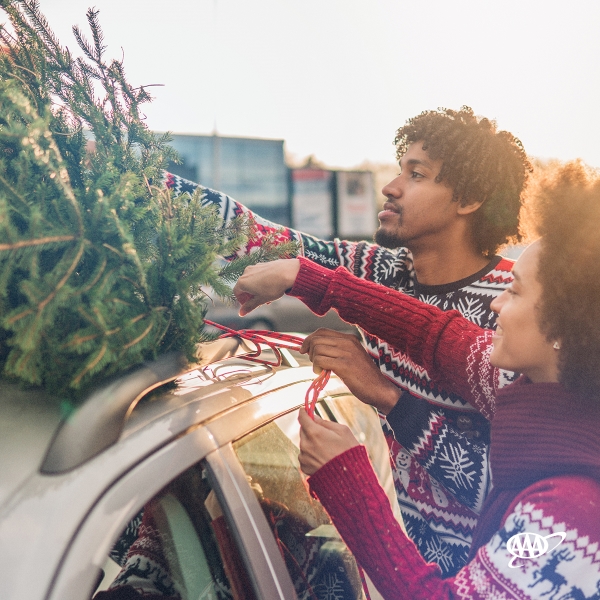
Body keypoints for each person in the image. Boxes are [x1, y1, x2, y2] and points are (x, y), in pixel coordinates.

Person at [166, 106, 531, 575]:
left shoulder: (512, 307)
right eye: (400, 170)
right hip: (376, 557)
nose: (391, 187)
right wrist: (130, 179)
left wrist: (385, 395)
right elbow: (256, 236)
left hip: (466, 579)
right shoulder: (381, 271)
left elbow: (506, 487)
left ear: (470, 199)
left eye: (416, 175)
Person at [232, 162, 600, 598]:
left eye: (516, 291)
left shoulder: (568, 514)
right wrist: (309, 279)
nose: (497, 305)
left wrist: (347, 479)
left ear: (564, 327)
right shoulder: (541, 389)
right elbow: (436, 334)